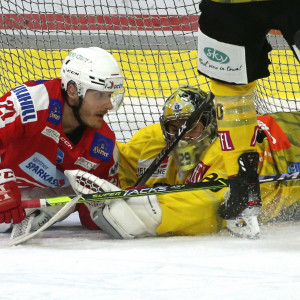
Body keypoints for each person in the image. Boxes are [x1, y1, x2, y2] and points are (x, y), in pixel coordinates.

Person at [69, 86, 300, 239]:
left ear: (210, 126)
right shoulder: (153, 142)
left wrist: (150, 214)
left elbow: (212, 205)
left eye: (191, 127)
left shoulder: (226, 150)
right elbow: (119, 156)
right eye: (173, 127)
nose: (181, 135)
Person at [197, 1, 300, 228]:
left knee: (232, 96)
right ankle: (242, 188)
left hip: (229, 6)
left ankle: (243, 190)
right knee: (231, 92)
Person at [0, 47, 124, 230]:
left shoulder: (104, 148)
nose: (108, 105)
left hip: (29, 211)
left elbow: (93, 216)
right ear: (73, 91)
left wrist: (121, 208)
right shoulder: (28, 103)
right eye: (99, 95)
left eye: (110, 96)